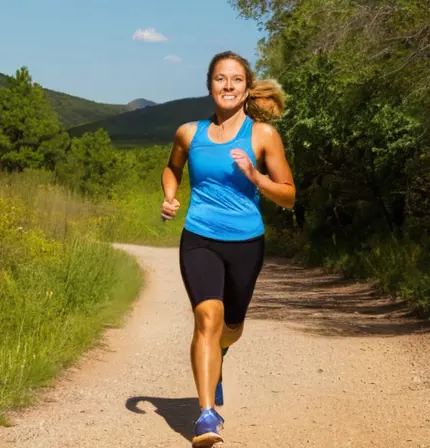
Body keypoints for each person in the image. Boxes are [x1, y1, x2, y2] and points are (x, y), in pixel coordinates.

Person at [160, 50, 296, 447]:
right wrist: (170, 196)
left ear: (247, 88)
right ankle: (205, 415)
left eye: (236, 79)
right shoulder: (189, 133)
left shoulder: (263, 135)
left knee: (229, 328)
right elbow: (172, 168)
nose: (228, 85)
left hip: (246, 242)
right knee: (206, 317)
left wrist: (255, 175)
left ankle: (219, 357)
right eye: (221, 78)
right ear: (210, 86)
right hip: (199, 236)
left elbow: (288, 195)